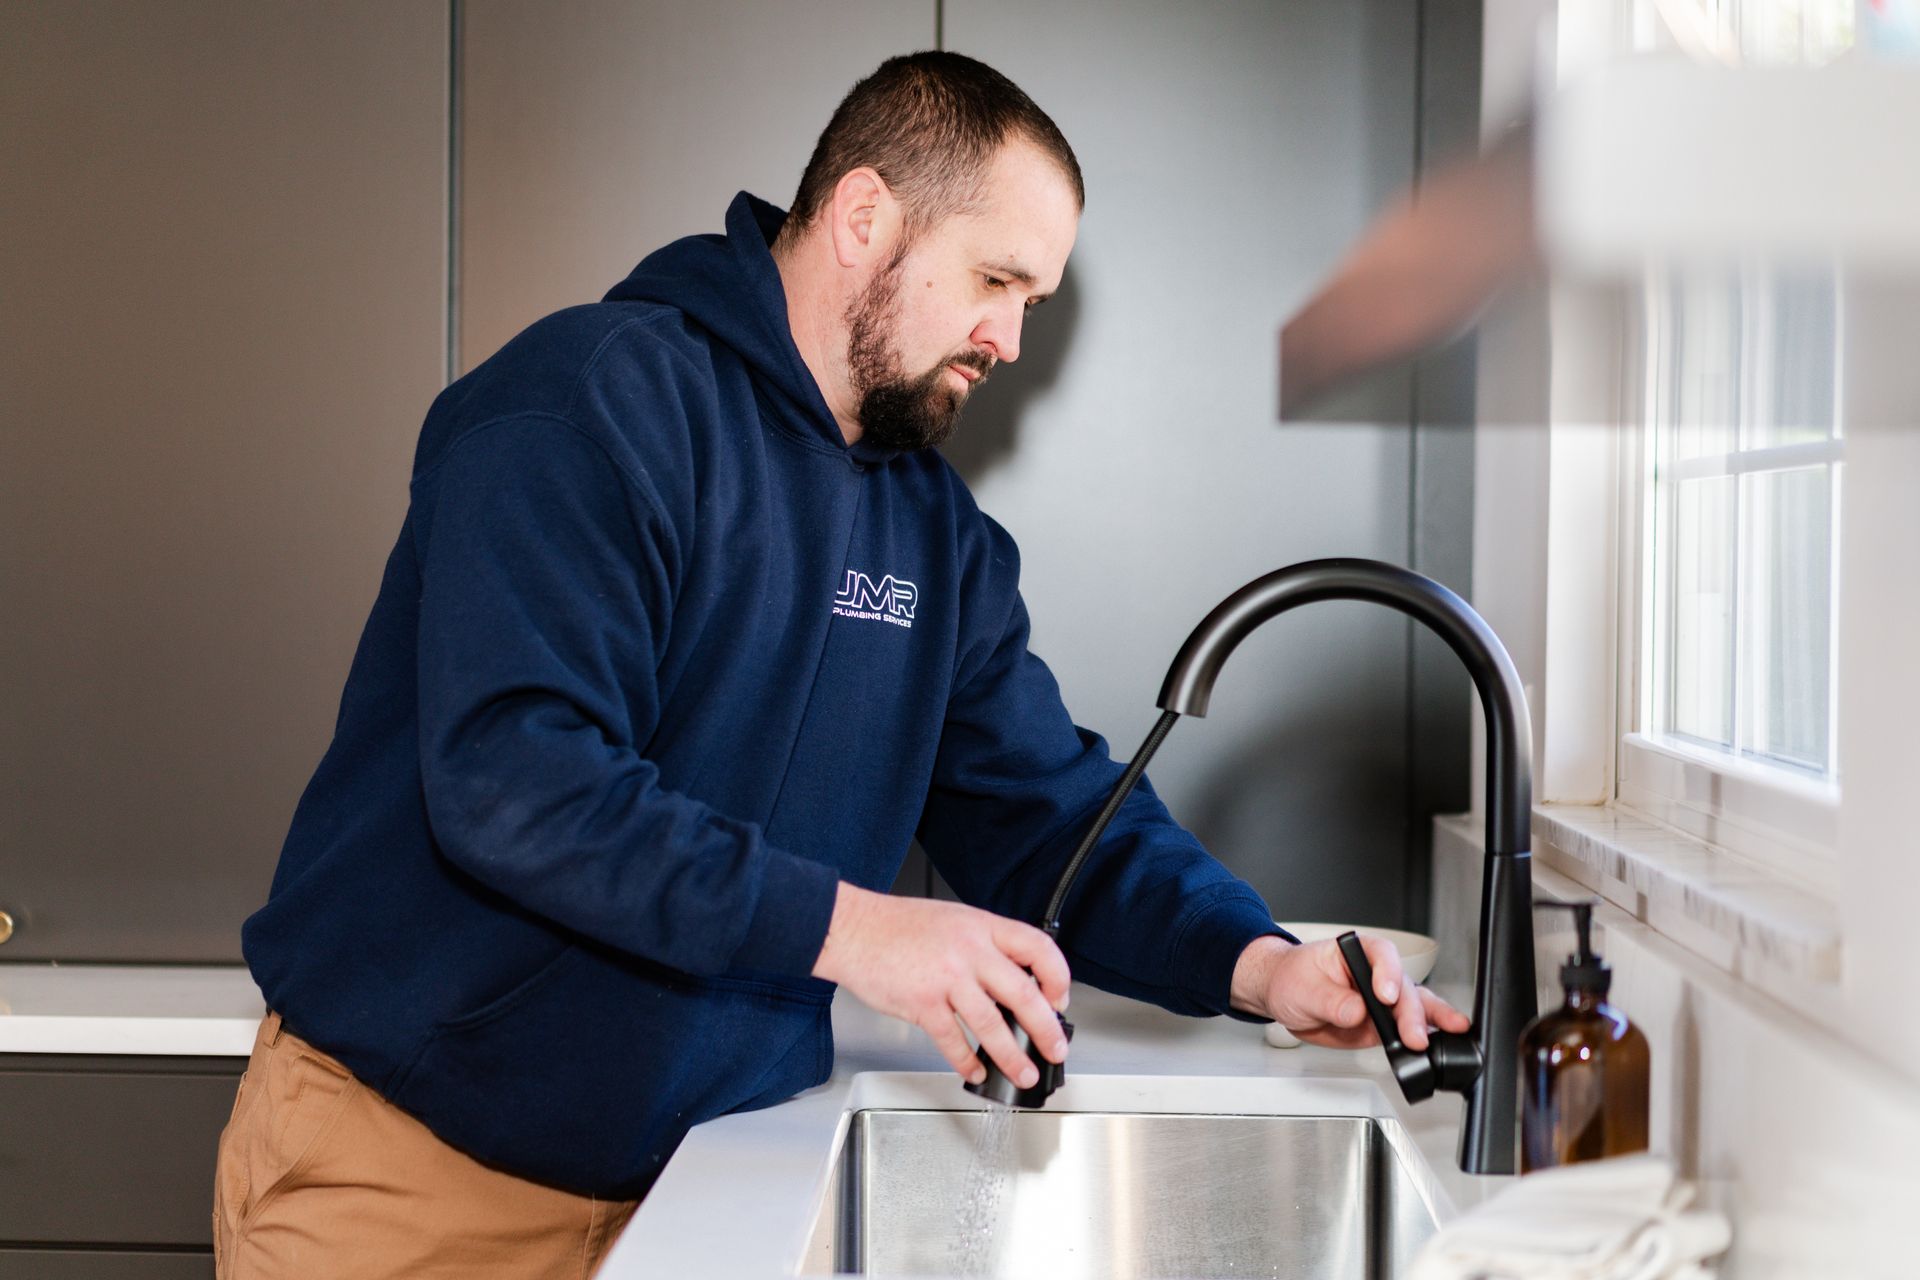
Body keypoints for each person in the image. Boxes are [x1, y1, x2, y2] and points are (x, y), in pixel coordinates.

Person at [214, 51, 1467, 1279]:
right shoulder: (586, 404)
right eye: (997, 279)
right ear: (866, 217)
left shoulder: (938, 535)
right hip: (412, 1177)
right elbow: (517, 778)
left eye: (1034, 299)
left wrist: (1260, 961)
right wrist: (859, 931)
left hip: (706, 1182)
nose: (1012, 337)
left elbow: (1048, 813)